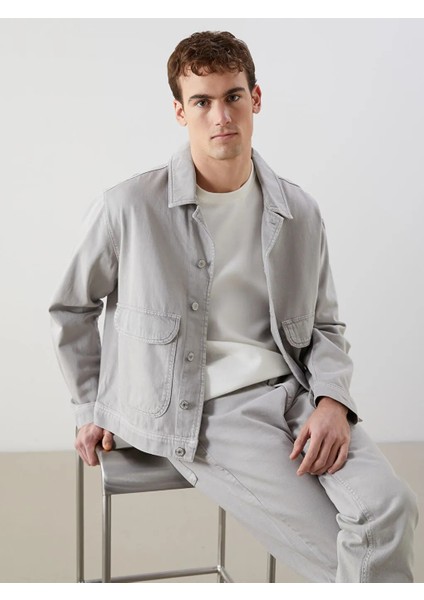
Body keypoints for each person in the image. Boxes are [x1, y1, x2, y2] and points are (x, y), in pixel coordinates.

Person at [48, 30, 418, 582]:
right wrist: (89, 405)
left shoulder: (299, 211)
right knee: (348, 552)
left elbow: (325, 324)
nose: (221, 116)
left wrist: (332, 401)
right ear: (180, 112)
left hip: (296, 392)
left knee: (392, 509)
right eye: (202, 101)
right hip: (206, 411)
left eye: (233, 96)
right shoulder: (129, 207)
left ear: (255, 99)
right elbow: (71, 306)